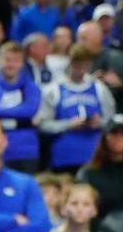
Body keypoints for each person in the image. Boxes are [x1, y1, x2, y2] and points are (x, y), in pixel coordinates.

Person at [38, 44, 117, 174]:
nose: (81, 70)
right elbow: (42, 124)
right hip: (64, 156)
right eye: (78, 65)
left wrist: (99, 122)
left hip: (95, 155)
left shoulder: (99, 88)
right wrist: (68, 124)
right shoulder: (53, 89)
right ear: (70, 62)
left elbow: (112, 120)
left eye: (85, 65)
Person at [0, 42, 42, 173]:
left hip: (26, 151)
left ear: (22, 63)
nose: (11, 64)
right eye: (7, 59)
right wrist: (19, 112)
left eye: (16, 60)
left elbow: (30, 110)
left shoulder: (31, 87)